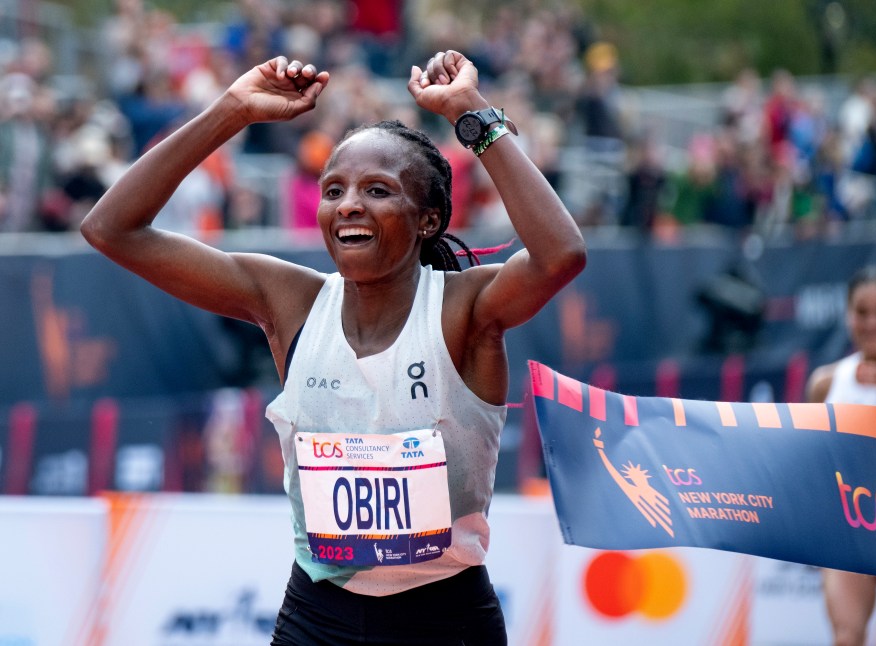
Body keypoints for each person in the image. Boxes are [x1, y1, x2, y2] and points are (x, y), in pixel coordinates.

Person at [80, 50, 586, 645]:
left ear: (426, 221)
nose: (348, 204)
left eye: (377, 190)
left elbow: (561, 255)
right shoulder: (289, 301)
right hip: (319, 619)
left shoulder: (463, 308)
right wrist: (232, 111)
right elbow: (111, 229)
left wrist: (471, 114)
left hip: (445, 621)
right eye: (333, 190)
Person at [806, 265, 876, 646]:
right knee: (847, 636)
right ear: (848, 315)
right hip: (850, 529)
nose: (872, 322)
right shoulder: (826, 382)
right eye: (862, 312)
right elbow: (812, 463)